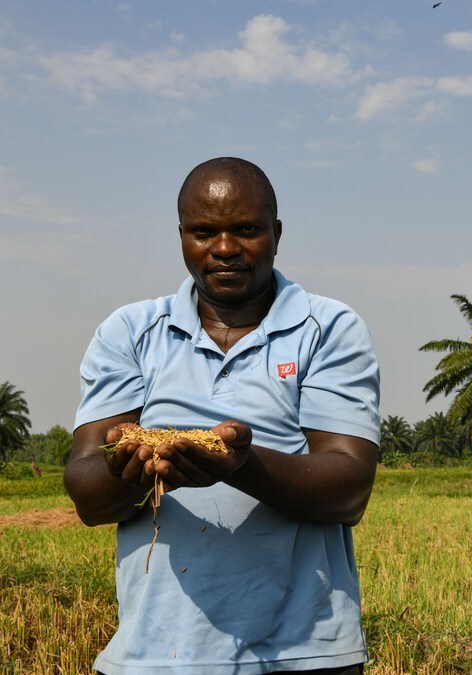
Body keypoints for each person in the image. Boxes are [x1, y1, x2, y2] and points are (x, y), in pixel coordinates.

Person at [64, 157, 381, 675]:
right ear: (182, 236)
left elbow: (350, 487)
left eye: (247, 230)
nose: (226, 248)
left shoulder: (328, 328)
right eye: (204, 231)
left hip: (304, 651)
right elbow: (88, 495)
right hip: (158, 653)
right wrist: (135, 467)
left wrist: (241, 465)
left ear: (276, 234)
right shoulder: (130, 332)